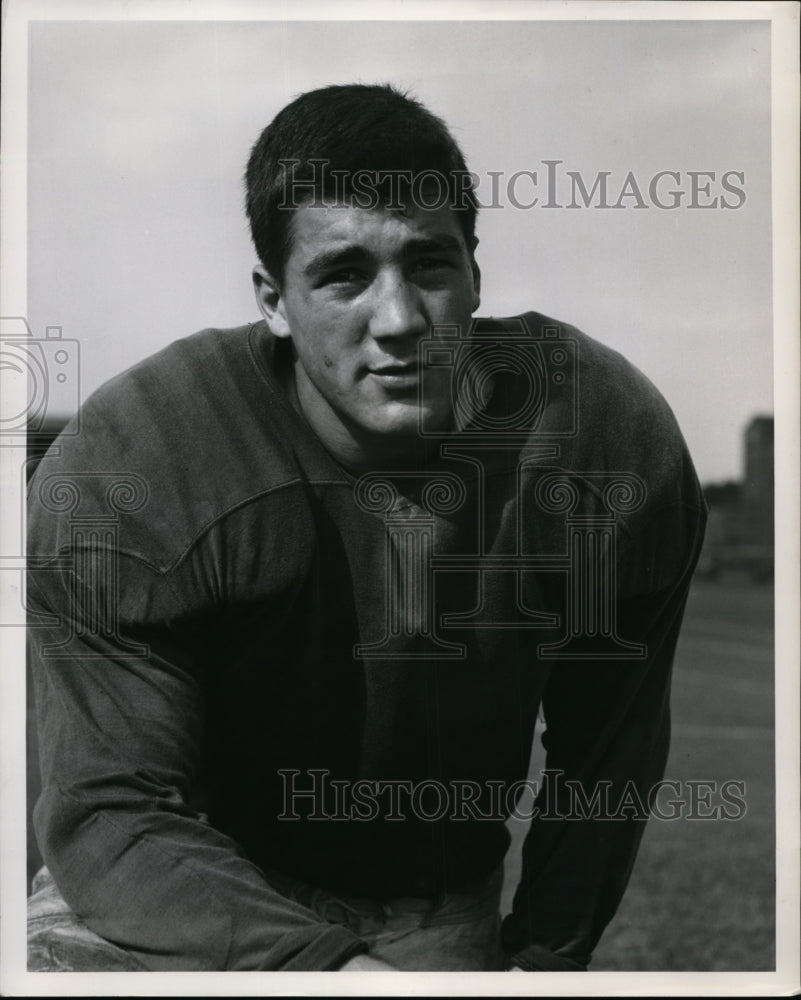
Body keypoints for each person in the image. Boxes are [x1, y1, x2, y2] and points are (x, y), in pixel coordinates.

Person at [26, 83, 706, 972]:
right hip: (178, 887)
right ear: (272, 299)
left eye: (428, 264)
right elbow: (112, 808)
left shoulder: (600, 443)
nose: (398, 322)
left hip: (427, 899)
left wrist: (542, 965)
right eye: (344, 274)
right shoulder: (141, 460)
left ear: (474, 273)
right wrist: (335, 973)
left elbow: (605, 761)